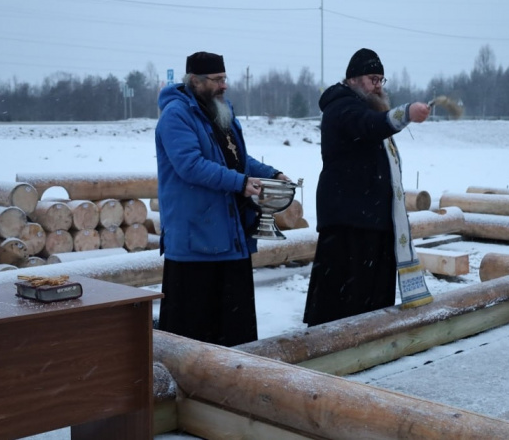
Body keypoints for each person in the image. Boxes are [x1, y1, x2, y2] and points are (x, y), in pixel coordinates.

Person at [155, 51, 289, 346]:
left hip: (230, 237)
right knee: (192, 338)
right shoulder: (176, 116)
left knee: (233, 334)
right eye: (216, 80)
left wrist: (272, 174)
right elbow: (191, 165)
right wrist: (240, 183)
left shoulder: (220, 109)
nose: (223, 85)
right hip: (195, 242)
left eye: (224, 78)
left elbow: (237, 159)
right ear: (195, 81)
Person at [303, 48, 432, 327]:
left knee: (371, 295)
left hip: (371, 217)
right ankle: (336, 342)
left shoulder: (366, 106)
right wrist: (405, 113)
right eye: (372, 78)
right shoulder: (342, 108)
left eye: (381, 80)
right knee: (345, 298)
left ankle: (371, 337)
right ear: (352, 79)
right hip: (348, 220)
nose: (377, 85)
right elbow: (369, 126)